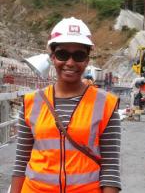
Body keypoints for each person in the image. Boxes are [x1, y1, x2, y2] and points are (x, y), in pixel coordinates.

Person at [10, 17, 121, 193]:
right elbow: (21, 162)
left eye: (79, 55)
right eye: (62, 54)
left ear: (87, 60)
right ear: (52, 57)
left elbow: (111, 168)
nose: (70, 63)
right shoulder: (31, 102)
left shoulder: (106, 104)